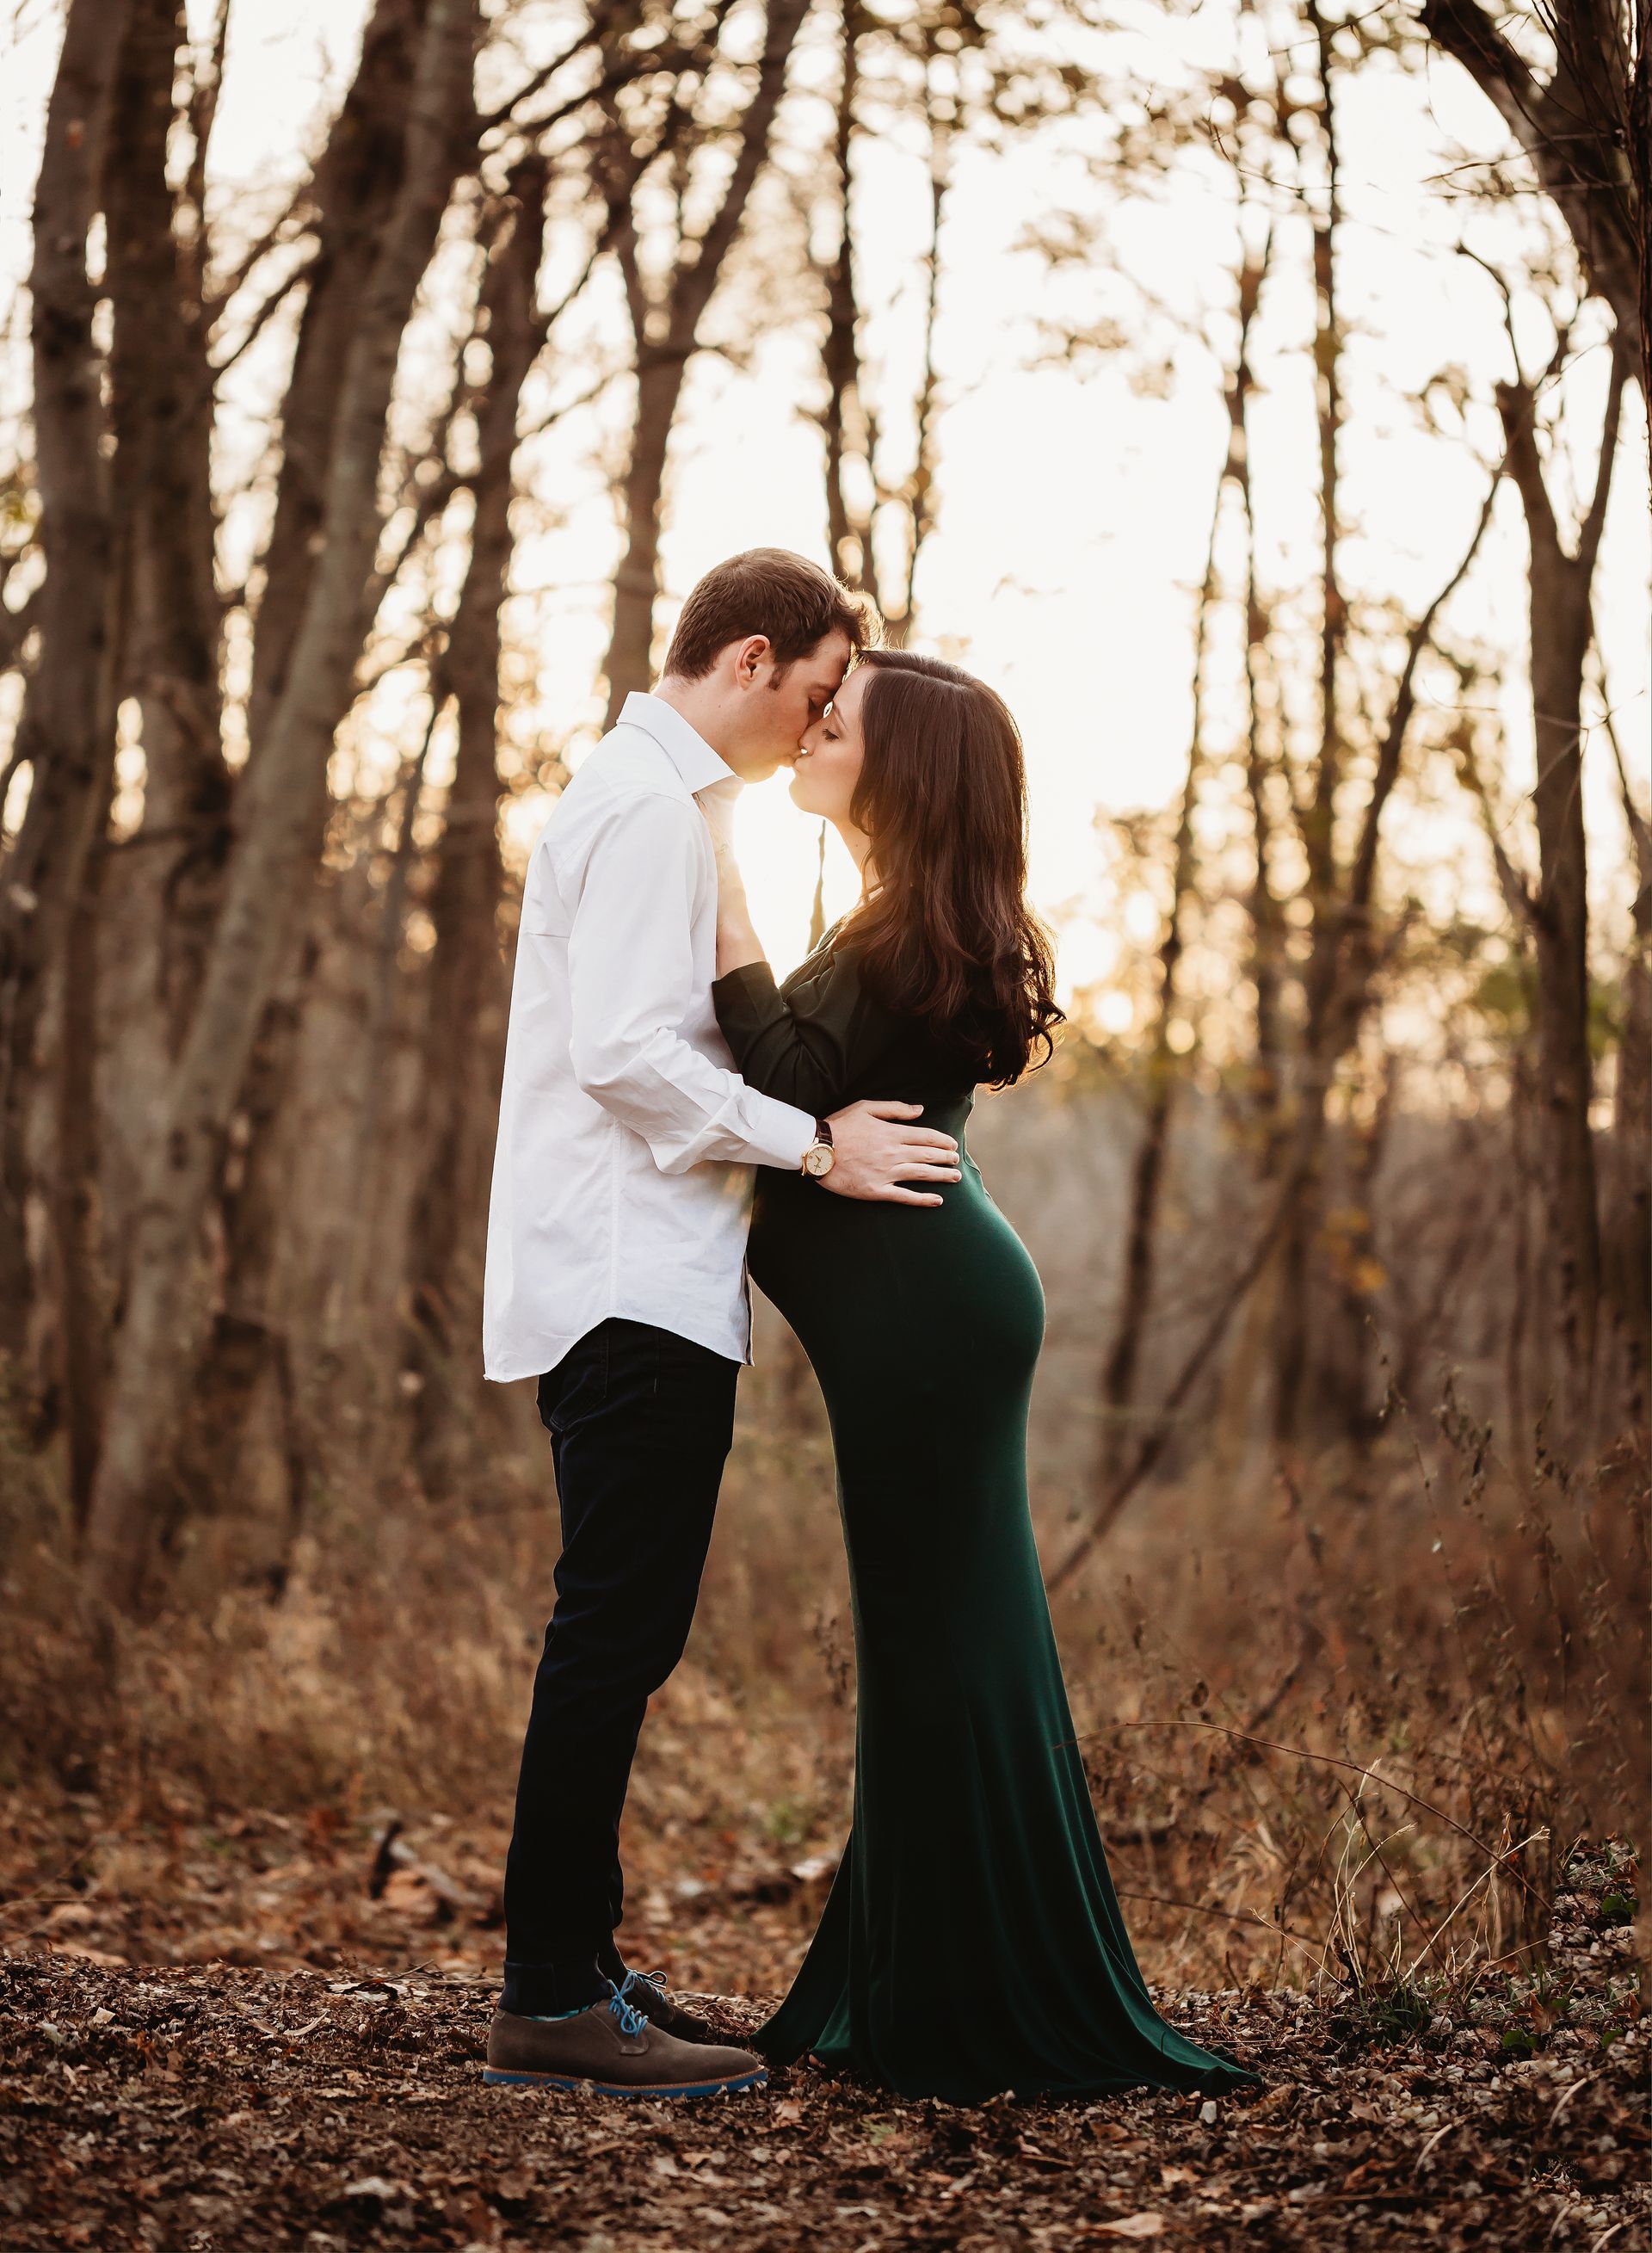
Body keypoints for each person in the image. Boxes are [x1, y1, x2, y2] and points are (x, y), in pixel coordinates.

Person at [707, 649, 1261, 2101]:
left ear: (905, 770)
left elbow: (778, 1075)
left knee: (940, 1639)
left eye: (839, 721)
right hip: (932, 1310)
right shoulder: (904, 923)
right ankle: (930, 1972)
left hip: (928, 1319)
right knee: (938, 1637)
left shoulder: (904, 935)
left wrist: (719, 877)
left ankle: (970, 1995)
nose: (811, 730)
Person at [480, 553, 965, 2098]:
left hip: (640, 1278)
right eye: (816, 693)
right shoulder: (645, 810)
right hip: (630, 1280)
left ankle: (579, 1963)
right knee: (612, 1633)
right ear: (751, 659)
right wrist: (816, 1145)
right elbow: (629, 1055)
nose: (817, 724)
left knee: (625, 1630)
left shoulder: (656, 804)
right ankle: (550, 1996)